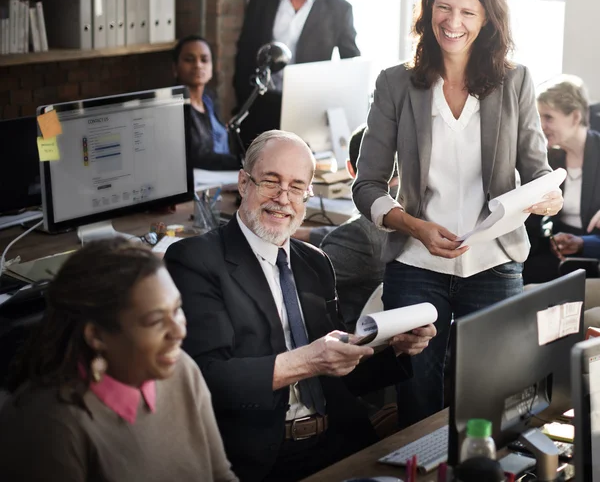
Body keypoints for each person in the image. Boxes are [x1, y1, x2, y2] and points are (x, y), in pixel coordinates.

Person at [352, 0, 563, 429]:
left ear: (487, 18)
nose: (453, 22)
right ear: (428, 12)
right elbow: (366, 185)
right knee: (418, 401)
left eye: (468, 12)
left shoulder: (516, 81)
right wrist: (414, 226)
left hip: (493, 264)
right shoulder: (395, 83)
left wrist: (549, 198)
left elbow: (539, 174)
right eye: (444, 8)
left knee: (495, 400)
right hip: (416, 265)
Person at [165, 130, 436, 482]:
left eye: (296, 187)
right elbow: (206, 378)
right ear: (244, 183)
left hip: (339, 442)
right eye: (270, 182)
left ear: (308, 195)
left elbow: (338, 375)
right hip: (260, 458)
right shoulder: (196, 259)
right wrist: (307, 360)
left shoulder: (315, 263)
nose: (282, 198)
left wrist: (396, 350)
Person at [0, 239, 237, 482]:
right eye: (155, 321)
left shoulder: (182, 369)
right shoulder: (50, 427)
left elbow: (220, 475)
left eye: (177, 309)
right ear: (97, 336)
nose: (179, 332)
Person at [233, 0, 360, 145]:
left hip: (305, 108)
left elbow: (351, 66)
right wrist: (242, 97)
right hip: (259, 101)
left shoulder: (340, 9)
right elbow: (245, 48)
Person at [296, 124, 390, 330]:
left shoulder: (361, 236)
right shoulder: (410, 214)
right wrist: (302, 233)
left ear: (350, 168)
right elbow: (352, 235)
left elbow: (295, 276)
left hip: (347, 342)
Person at [523, 77, 600, 281]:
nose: (541, 126)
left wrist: (584, 243)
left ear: (575, 117)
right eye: (538, 117)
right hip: (558, 253)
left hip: (593, 254)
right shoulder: (550, 159)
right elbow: (536, 222)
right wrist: (551, 239)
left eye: (548, 117)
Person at [173, 34, 240, 170]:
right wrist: (242, 162)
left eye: (204, 60)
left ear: (211, 67)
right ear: (175, 68)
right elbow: (199, 157)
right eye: (189, 60)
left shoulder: (209, 99)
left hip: (225, 176)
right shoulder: (175, 108)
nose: (198, 65)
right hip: (203, 181)